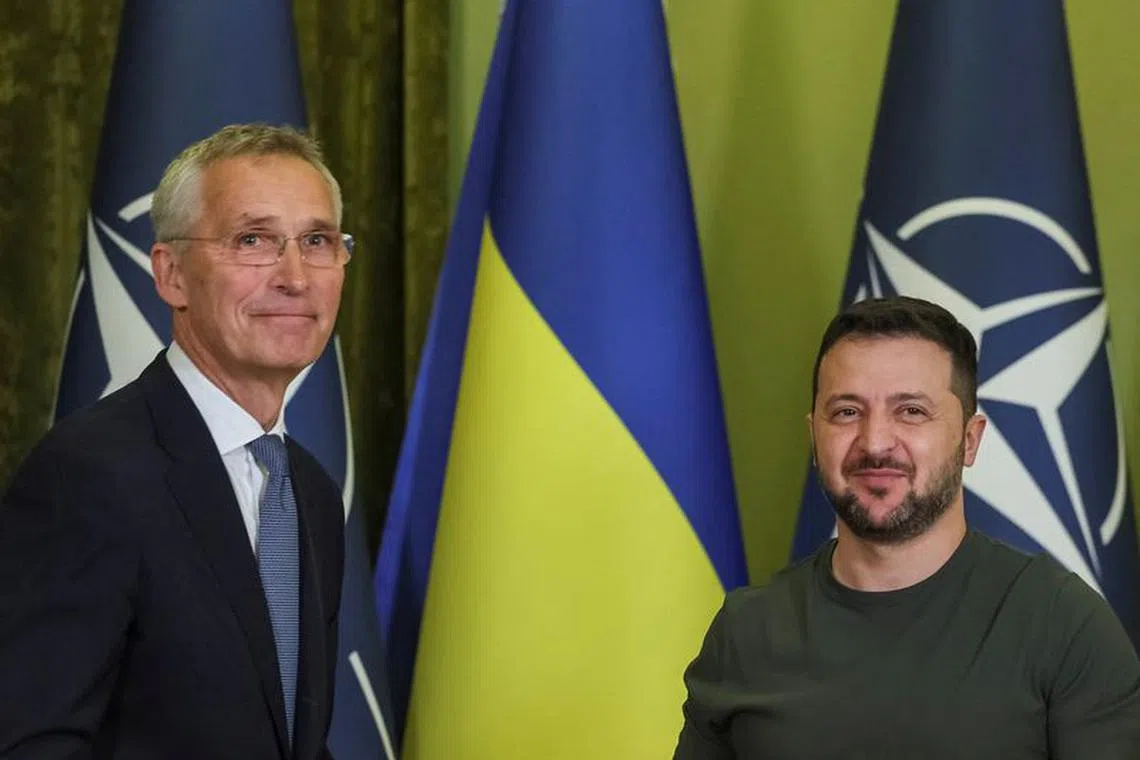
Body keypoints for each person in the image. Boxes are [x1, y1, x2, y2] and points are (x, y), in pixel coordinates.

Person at [0, 124, 352, 759]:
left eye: (318, 241)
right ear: (171, 276)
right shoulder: (89, 476)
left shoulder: (312, 493)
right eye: (254, 240)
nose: (296, 277)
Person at [673, 296, 1140, 759]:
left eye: (911, 411)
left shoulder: (1064, 625)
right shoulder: (746, 632)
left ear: (969, 440)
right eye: (846, 412)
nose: (875, 442)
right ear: (813, 436)